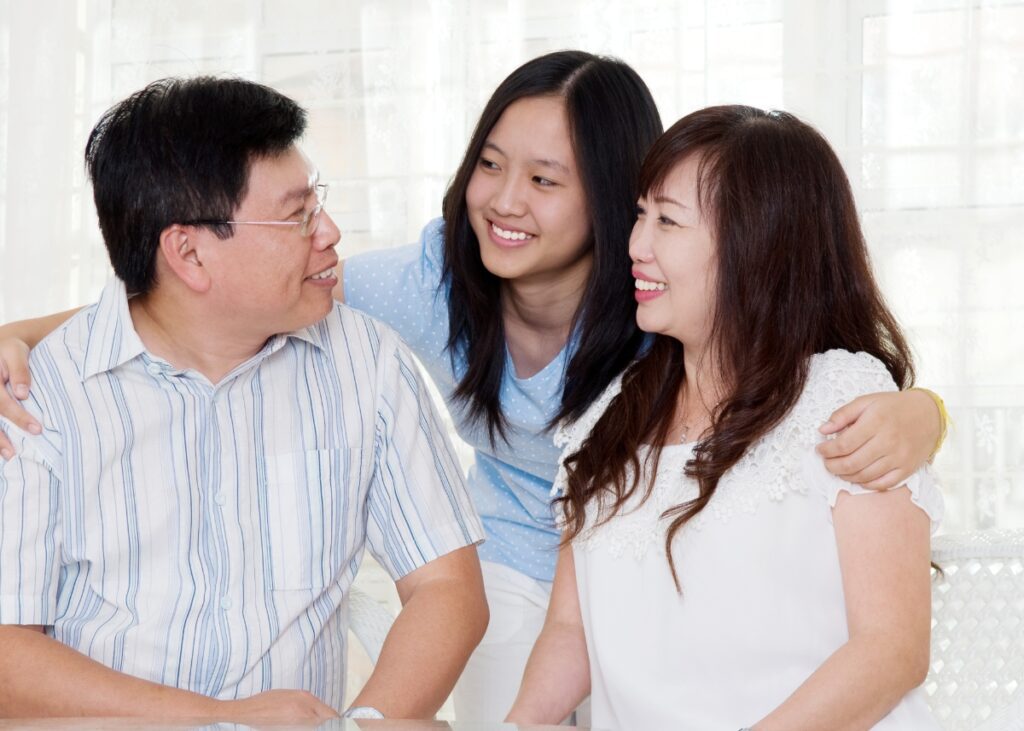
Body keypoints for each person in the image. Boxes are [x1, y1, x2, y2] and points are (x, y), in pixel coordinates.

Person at [0, 52, 946, 721]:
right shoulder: (429, 301)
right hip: (536, 566)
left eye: (547, 179)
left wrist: (925, 411)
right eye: (492, 164)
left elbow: (886, 637)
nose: (504, 198)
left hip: (590, 593)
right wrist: (22, 335)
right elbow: (175, 301)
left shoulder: (712, 352)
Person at [0, 76, 487, 722]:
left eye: (320, 203)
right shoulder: (36, 397)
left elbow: (447, 587)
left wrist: (364, 725)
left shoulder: (364, 359)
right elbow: (9, 656)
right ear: (190, 254)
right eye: (298, 215)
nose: (331, 232)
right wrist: (216, 716)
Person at [506, 105, 943, 730]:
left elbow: (890, 650)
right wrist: (518, 725)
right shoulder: (608, 416)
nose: (636, 245)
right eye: (639, 215)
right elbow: (573, 629)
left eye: (668, 221)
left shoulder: (841, 398)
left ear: (756, 243)